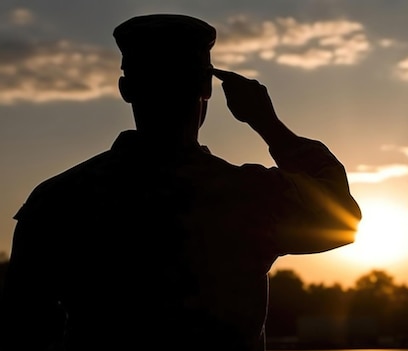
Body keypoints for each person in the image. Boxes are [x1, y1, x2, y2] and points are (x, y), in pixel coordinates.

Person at [0, 14, 361, 351]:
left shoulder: (59, 199)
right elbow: (343, 219)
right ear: (206, 86)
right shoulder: (246, 194)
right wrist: (267, 124)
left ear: (126, 89)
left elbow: (23, 324)